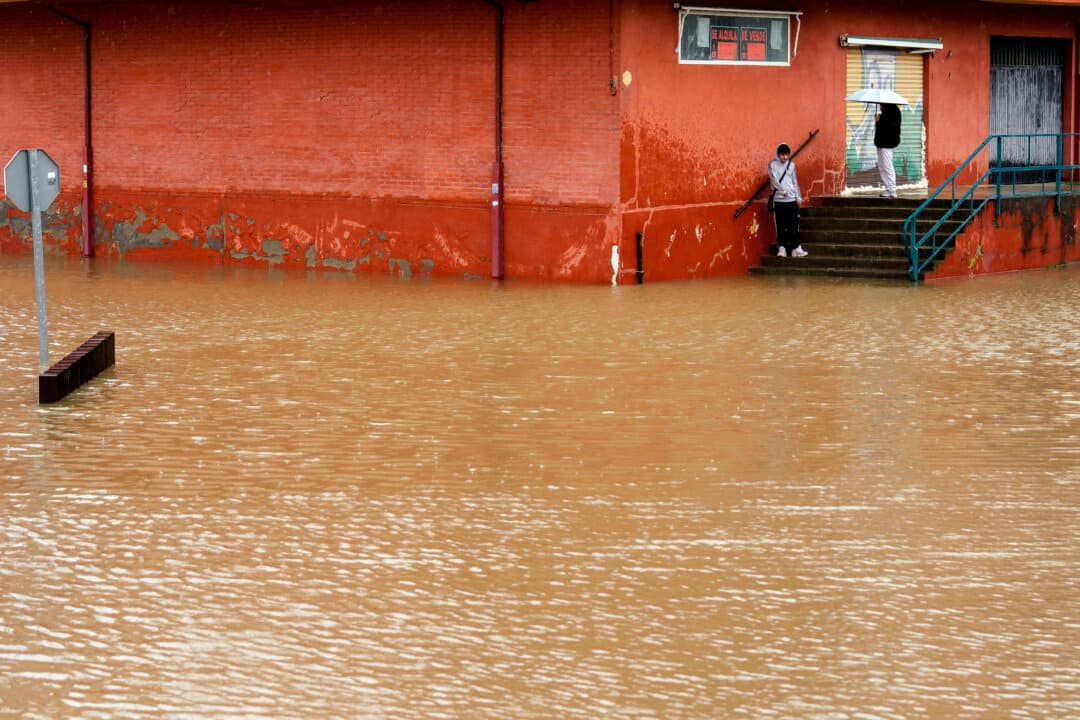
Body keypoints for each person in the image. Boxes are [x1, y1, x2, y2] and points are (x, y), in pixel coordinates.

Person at [768, 143, 807, 258]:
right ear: (778, 154)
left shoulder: (791, 165)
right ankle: (782, 248)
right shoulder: (772, 165)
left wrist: (798, 197)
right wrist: (782, 190)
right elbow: (773, 179)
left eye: (786, 155)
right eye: (782, 155)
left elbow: (794, 181)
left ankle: (796, 248)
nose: (785, 157)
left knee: (794, 225)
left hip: (791, 200)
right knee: (780, 225)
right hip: (779, 201)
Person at [874, 103, 902, 198]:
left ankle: (892, 189)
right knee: (881, 165)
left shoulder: (892, 113)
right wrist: (878, 121)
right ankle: (887, 188)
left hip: (887, 143)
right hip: (881, 143)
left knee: (887, 165)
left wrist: (878, 121)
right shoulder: (886, 114)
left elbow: (887, 129)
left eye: (881, 106)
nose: (880, 108)